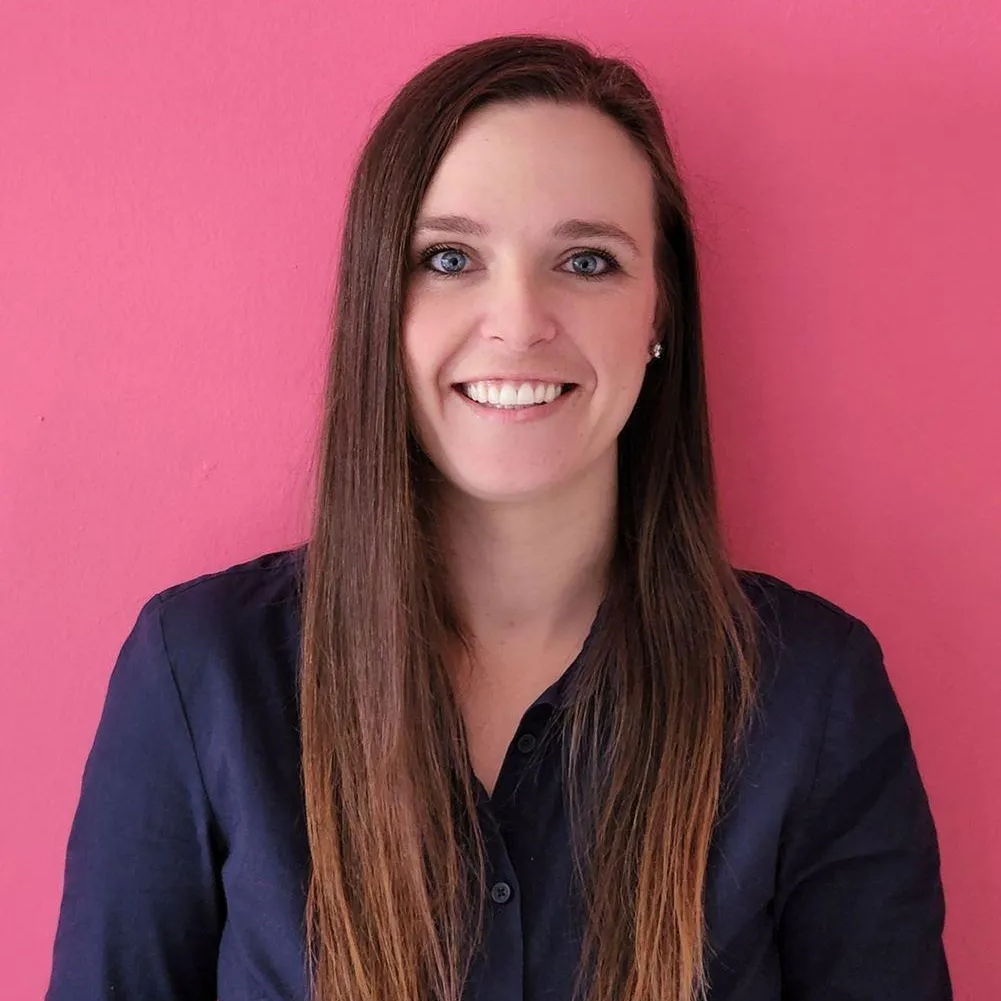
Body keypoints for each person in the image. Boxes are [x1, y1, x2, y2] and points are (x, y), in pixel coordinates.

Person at [45, 33, 951, 1001]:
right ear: (377, 306)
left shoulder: (813, 699)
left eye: (587, 261)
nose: (517, 319)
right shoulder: (201, 679)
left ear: (659, 316)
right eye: (448, 257)